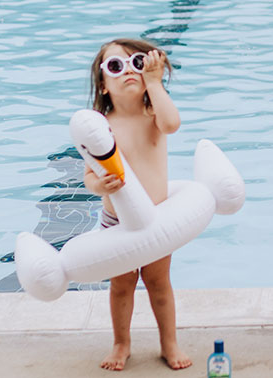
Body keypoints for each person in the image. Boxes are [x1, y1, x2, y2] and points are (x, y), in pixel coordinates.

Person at [83, 38, 191, 372]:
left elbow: (172, 124)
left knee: (159, 284)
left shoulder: (152, 113)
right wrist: (99, 184)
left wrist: (155, 84)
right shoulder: (101, 126)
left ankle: (169, 342)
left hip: (157, 219)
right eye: (116, 66)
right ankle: (121, 343)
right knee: (120, 287)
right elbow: (88, 174)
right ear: (103, 83)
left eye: (137, 63)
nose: (128, 71)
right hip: (117, 222)